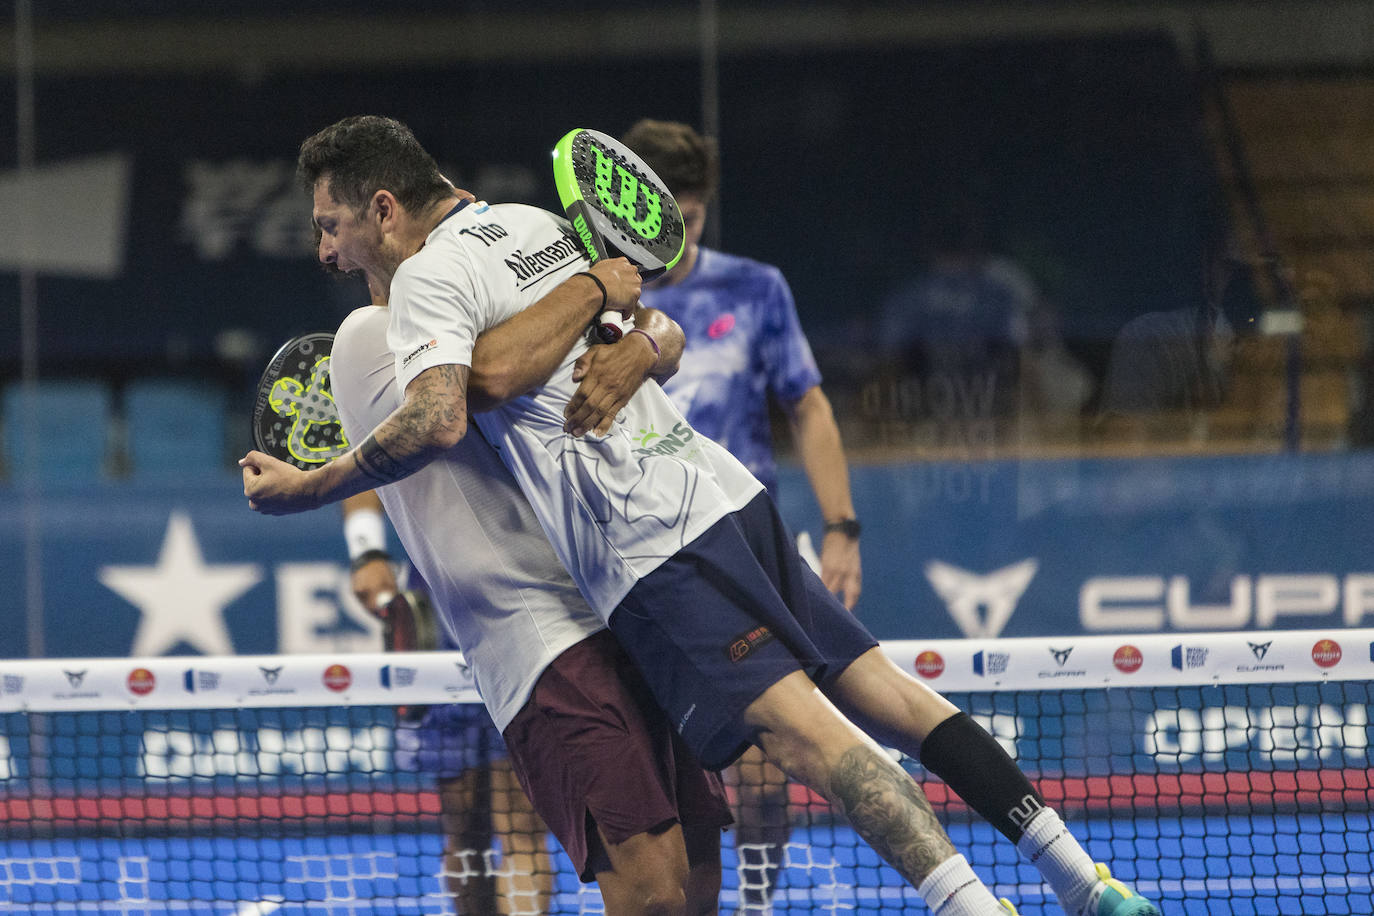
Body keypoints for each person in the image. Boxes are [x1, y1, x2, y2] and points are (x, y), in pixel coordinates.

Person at [242, 115, 1161, 916]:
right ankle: (1084, 882)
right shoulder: (531, 228)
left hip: (650, 548)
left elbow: (460, 398)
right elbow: (638, 325)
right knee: (891, 697)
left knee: (816, 740)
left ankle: (969, 908)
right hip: (727, 492)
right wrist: (631, 325)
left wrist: (306, 489)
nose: (324, 249)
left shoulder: (428, 286)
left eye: (331, 225)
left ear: (386, 208)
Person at [322, 243, 732, 915]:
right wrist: (367, 552)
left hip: (573, 612)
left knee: (528, 824)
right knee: (465, 822)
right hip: (456, 618)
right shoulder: (380, 352)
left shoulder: (505, 342)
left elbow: (656, 335)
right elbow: (366, 463)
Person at [623, 117, 860, 912]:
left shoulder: (755, 287)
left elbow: (810, 404)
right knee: (668, 777)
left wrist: (841, 527)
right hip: (636, 567)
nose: (676, 234)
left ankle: (757, 904)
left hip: (744, 558)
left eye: (689, 219)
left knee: (765, 773)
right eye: (662, 216)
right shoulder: (589, 293)